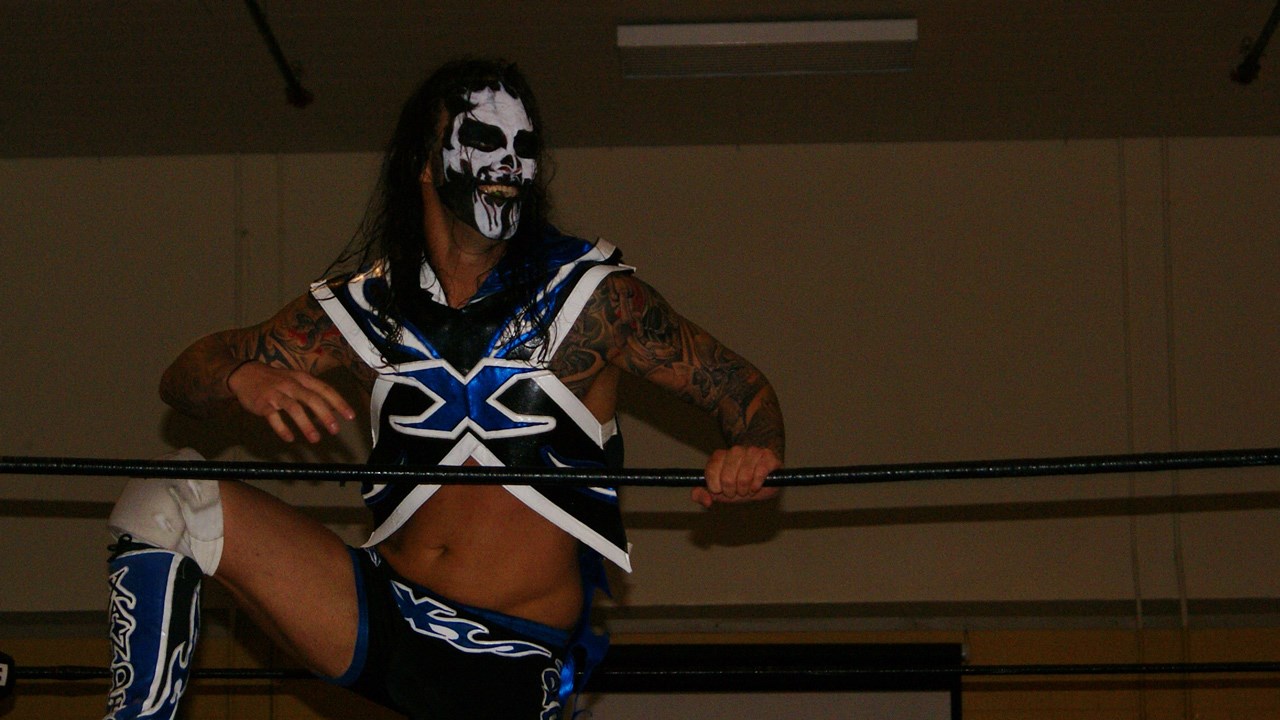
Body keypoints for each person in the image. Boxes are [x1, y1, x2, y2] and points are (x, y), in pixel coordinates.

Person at [103, 58, 784, 720]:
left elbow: (741, 389)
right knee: (168, 494)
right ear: (424, 164)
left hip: (511, 655)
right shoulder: (364, 308)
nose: (507, 165)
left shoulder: (593, 300)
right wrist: (242, 375)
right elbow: (185, 377)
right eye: (482, 140)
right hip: (386, 615)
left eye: (523, 147)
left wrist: (753, 450)